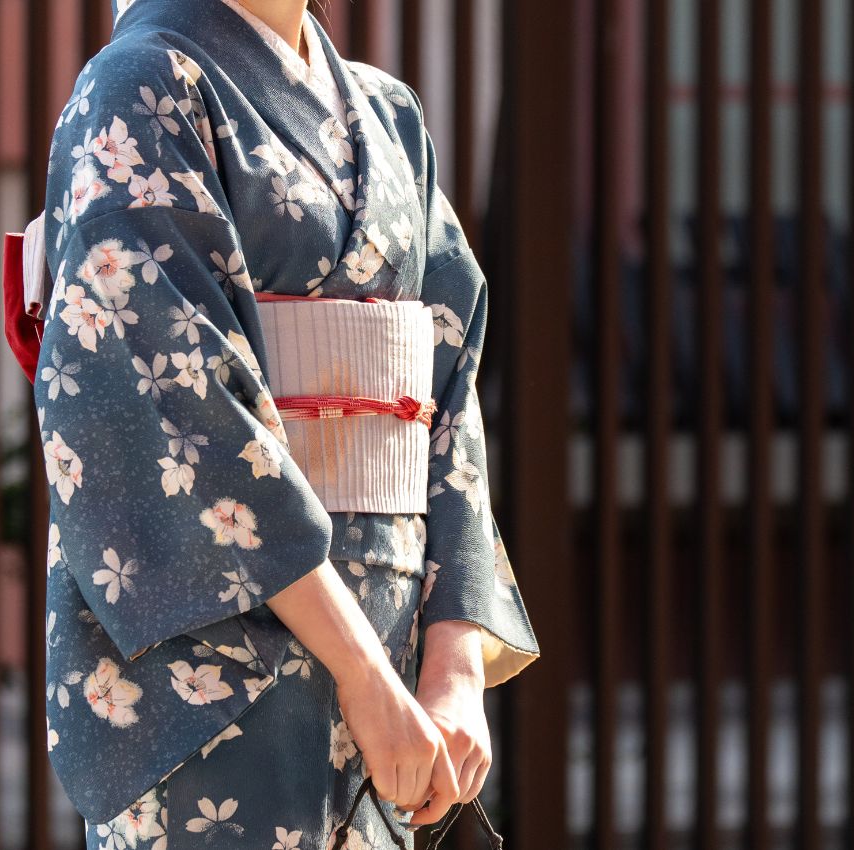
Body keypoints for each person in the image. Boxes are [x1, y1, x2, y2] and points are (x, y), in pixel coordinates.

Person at [34, 1, 540, 846]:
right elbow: (173, 403)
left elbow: (446, 393)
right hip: (220, 673)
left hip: (393, 668)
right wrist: (362, 675)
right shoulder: (141, 87)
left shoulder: (390, 117)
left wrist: (450, 671)